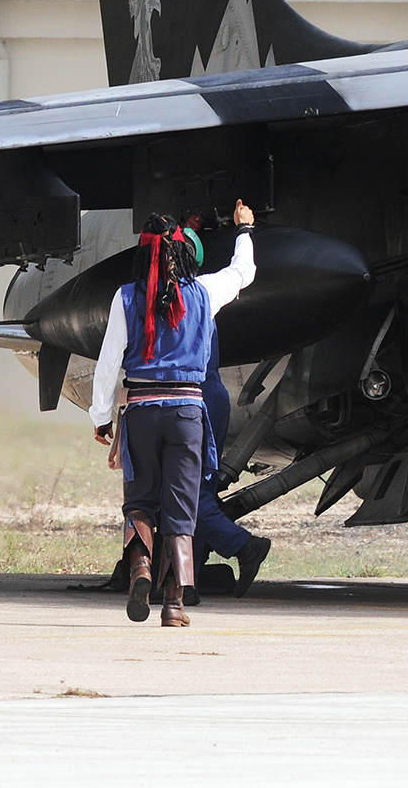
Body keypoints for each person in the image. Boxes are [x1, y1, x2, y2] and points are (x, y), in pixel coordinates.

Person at [91, 203, 256, 627]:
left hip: (142, 411)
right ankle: (174, 605)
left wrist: (101, 417)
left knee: (140, 504)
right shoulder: (204, 292)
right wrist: (244, 230)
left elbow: (108, 364)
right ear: (183, 253)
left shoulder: (125, 297)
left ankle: (140, 569)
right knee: (181, 511)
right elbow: (243, 273)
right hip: (187, 412)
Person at [192, 331, 271, 599]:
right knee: (198, 493)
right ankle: (185, 580)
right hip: (207, 393)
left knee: (183, 494)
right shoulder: (203, 305)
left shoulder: (173, 305)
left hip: (191, 396)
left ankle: (244, 545)